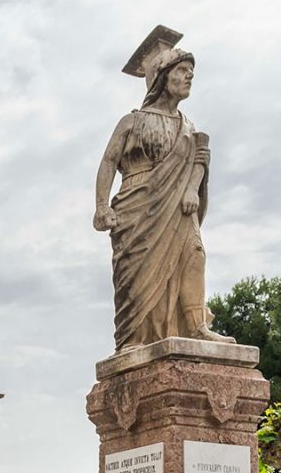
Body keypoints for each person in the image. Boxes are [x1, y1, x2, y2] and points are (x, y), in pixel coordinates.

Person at [93, 24, 235, 350]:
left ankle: (196, 326)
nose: (189, 77)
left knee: (194, 254)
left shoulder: (189, 126)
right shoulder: (132, 121)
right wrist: (101, 205)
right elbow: (108, 162)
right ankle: (134, 337)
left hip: (180, 204)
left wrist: (191, 188)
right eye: (182, 70)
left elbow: (200, 160)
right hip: (137, 203)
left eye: (191, 72)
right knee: (139, 272)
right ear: (162, 77)